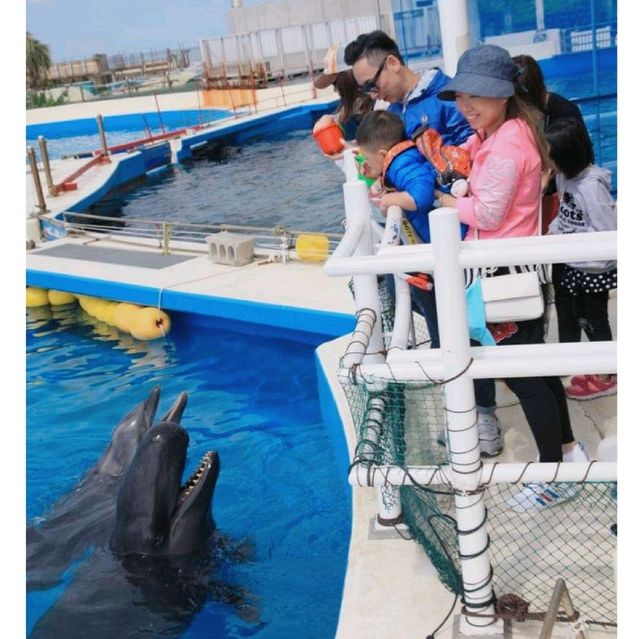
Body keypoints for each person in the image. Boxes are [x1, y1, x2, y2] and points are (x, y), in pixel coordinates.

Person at [435, 44, 589, 510]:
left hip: (504, 277)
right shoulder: (510, 131)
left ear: (503, 94)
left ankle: (553, 475)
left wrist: (444, 204)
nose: (466, 105)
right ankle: (566, 453)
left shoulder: (504, 144)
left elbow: (487, 211)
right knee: (536, 373)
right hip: (517, 274)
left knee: (523, 380)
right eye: (461, 96)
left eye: (476, 96)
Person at [345, 30, 500, 453]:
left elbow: (464, 157)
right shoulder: (390, 111)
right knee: (438, 328)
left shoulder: (446, 97)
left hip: (455, 238)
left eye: (372, 82)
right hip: (424, 247)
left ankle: (483, 418)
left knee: (465, 328)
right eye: (365, 89)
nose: (371, 92)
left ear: (392, 62)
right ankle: (462, 413)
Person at [355, 109, 442, 348]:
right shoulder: (403, 159)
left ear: (383, 154)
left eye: (368, 159)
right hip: (431, 247)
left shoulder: (401, 164)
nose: (366, 164)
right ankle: (440, 344)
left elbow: (420, 196)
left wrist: (389, 201)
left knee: (430, 304)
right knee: (419, 297)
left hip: (438, 248)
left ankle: (441, 350)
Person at [545, 118, 617, 399]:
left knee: (595, 319)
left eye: (549, 154)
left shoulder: (591, 186)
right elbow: (565, 215)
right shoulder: (563, 177)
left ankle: (608, 374)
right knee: (581, 317)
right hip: (574, 261)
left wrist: (588, 259)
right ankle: (599, 365)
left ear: (566, 155)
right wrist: (552, 234)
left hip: (594, 268)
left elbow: (605, 230)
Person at [345, 30, 472, 146]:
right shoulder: (393, 112)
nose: (373, 95)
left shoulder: (449, 98)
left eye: (371, 85)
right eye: (365, 89)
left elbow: (473, 156)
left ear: (393, 63)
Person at [512, 54, 593, 234]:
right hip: (531, 198)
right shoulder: (513, 115)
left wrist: (547, 173)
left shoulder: (563, 111)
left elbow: (580, 157)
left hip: (559, 197)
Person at [312, 43, 374, 148]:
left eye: (335, 83)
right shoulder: (353, 105)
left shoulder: (380, 103)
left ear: (349, 76)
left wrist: (353, 151)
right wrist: (327, 118)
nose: (335, 89)